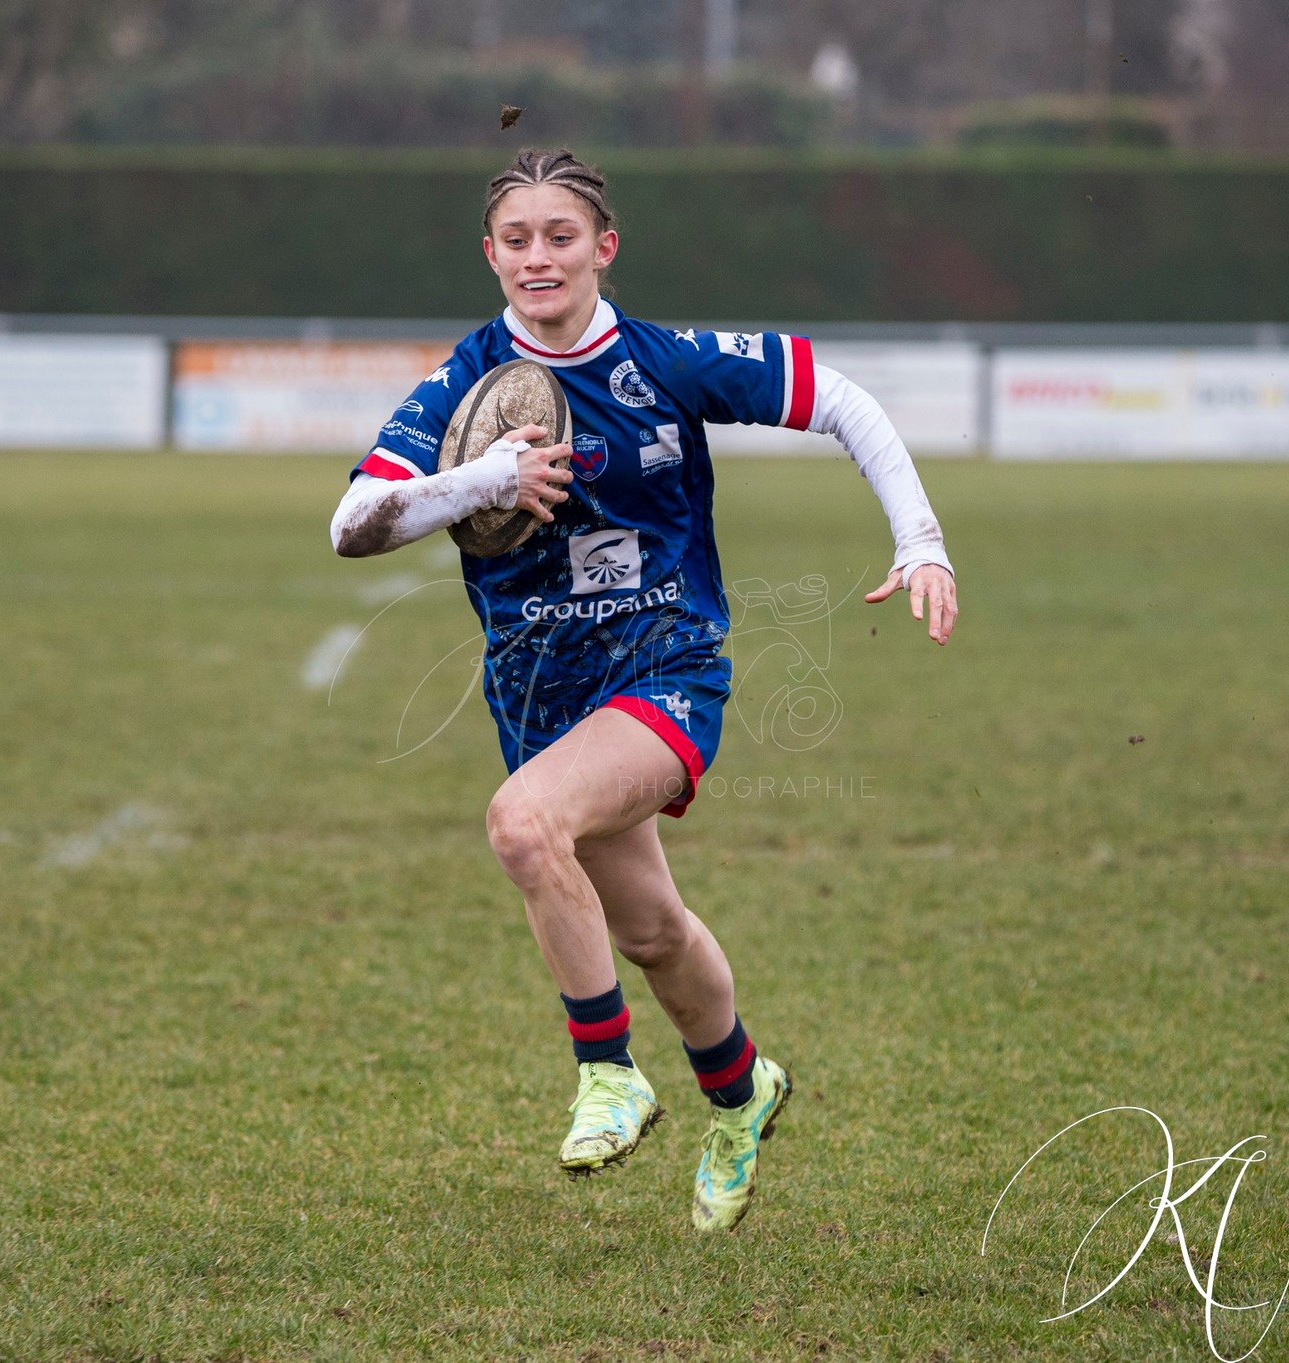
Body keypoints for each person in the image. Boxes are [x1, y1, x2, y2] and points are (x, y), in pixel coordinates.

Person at [330, 148, 957, 1232]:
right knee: (655, 931)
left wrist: (922, 540)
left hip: (666, 667)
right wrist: (486, 479)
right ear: (490, 255)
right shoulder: (465, 383)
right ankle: (743, 1091)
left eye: (560, 235)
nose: (538, 256)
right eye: (516, 239)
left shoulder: (662, 362)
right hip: (538, 697)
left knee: (522, 825)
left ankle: (608, 1071)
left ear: (603, 247)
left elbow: (842, 399)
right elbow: (353, 525)